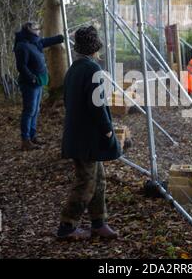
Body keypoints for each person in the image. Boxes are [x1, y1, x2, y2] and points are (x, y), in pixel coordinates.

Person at [57, 25, 122, 240]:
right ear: (95, 47)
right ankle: (67, 227)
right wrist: (107, 131)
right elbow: (97, 105)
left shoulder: (74, 68)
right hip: (87, 138)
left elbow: (68, 101)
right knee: (85, 181)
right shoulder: (92, 70)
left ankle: (98, 223)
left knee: (99, 179)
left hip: (80, 135)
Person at [14, 21, 64, 151]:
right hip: (29, 83)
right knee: (29, 111)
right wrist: (32, 78)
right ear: (30, 30)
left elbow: (48, 41)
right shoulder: (22, 45)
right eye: (36, 29)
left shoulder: (36, 42)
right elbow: (21, 66)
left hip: (39, 82)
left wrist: (63, 37)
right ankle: (25, 140)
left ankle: (32, 136)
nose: (39, 31)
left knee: (35, 110)